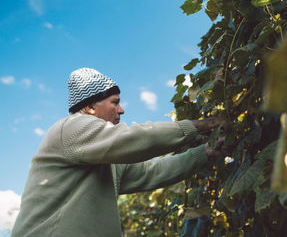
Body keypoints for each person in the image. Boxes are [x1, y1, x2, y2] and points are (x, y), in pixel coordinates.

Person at [12, 67, 226, 237]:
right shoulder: (71, 128)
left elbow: (151, 172)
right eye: (115, 102)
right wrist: (200, 125)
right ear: (90, 108)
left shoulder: (106, 157)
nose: (121, 110)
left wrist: (205, 152)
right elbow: (133, 138)